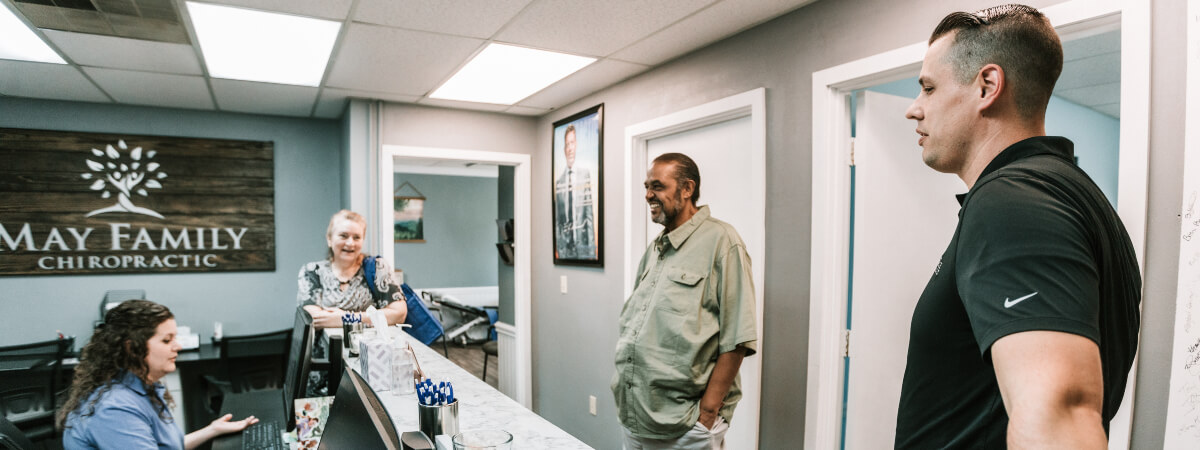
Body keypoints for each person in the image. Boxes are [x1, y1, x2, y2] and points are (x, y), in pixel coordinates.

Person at [895, 5, 1141, 448]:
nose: (914, 110)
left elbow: (1058, 414)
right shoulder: (1068, 193)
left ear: (987, 86)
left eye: (928, 88)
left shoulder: (1011, 204)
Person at [612, 153, 757, 449]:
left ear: (687, 189)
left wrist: (707, 414)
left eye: (658, 186)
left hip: (683, 426)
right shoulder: (657, 248)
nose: (648, 195)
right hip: (636, 415)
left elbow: (738, 338)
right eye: (646, 186)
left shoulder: (723, 242)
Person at [58, 300, 258, 449]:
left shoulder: (140, 387)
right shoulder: (115, 409)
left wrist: (212, 430)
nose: (177, 346)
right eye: (166, 340)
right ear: (132, 348)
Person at [297, 209, 408, 329]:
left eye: (356, 238)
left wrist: (347, 318)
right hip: (326, 347)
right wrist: (370, 317)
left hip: (369, 346)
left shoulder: (377, 268)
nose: (350, 243)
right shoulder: (313, 271)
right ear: (329, 239)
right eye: (343, 236)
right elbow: (312, 318)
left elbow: (399, 314)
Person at [554, 124, 597, 260]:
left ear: (576, 145)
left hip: (583, 248)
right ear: (564, 149)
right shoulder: (559, 182)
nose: (570, 148)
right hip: (565, 250)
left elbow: (589, 216)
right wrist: (559, 250)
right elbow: (557, 222)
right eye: (567, 144)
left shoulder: (584, 175)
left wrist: (592, 251)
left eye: (572, 143)